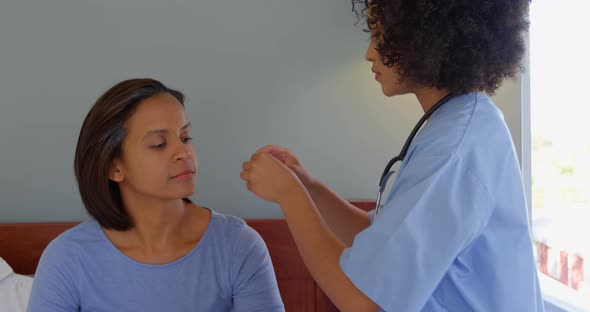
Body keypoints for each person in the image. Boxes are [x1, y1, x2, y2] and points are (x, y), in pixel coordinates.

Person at [240, 0, 543, 311]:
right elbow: (382, 242)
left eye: (380, 36)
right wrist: (308, 186)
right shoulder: (461, 124)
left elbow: (365, 303)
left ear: (425, 38)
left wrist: (290, 196)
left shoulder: (454, 149)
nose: (369, 53)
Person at [28, 78, 284, 312]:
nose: (183, 152)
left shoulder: (238, 246)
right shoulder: (67, 258)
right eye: (159, 144)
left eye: (185, 137)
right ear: (114, 167)